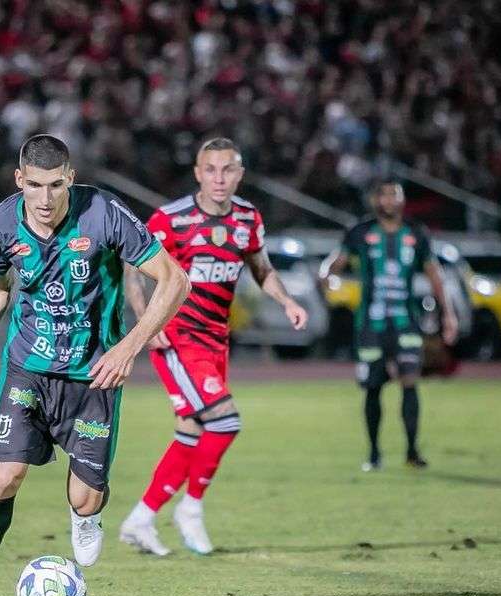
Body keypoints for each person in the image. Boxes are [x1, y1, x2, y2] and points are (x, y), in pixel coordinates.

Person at [0, 134, 190, 596]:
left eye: (56, 185)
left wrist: (127, 346)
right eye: (35, 185)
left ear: (70, 178)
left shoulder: (103, 213)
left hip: (93, 374)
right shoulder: (0, 223)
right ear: (19, 180)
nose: (46, 198)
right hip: (27, 367)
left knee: (85, 497)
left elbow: (175, 279)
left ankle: (86, 515)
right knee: (6, 476)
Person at [118, 137, 309, 557]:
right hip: (177, 336)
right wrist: (147, 323)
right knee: (225, 420)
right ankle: (191, 507)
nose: (219, 178)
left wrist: (287, 301)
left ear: (239, 174)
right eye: (211, 170)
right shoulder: (172, 218)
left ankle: (141, 520)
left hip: (215, 340)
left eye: (227, 169)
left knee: (191, 430)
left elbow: (262, 268)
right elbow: (132, 269)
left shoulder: (247, 218)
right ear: (198, 173)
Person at [320, 179, 458, 472]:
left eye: (394, 194)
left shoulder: (416, 233)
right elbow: (333, 265)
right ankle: (373, 454)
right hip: (371, 325)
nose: (389, 200)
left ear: (402, 199)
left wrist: (448, 314)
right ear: (375, 200)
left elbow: (435, 275)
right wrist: (327, 279)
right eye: (383, 195)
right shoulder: (360, 232)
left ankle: (412, 452)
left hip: (405, 323)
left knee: (410, 382)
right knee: (373, 387)